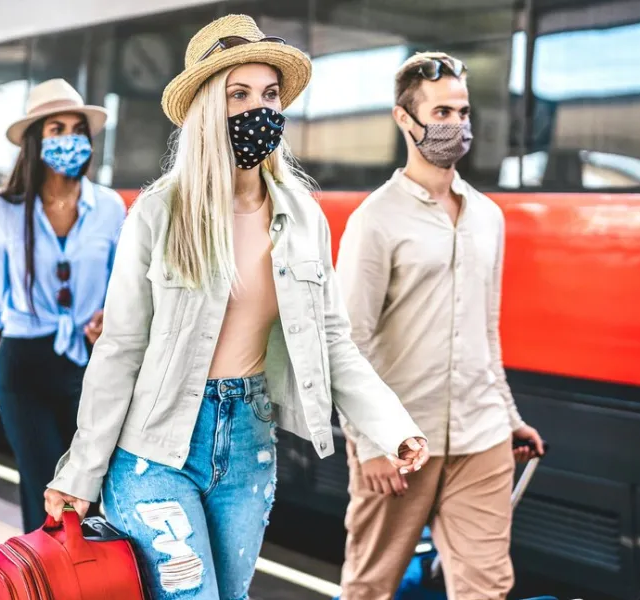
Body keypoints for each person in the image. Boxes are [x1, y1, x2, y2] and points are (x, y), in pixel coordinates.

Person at [42, 15, 430, 600]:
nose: (260, 110)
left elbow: (332, 341)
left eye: (270, 95)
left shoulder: (302, 218)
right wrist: (80, 472)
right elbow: (121, 349)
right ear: (205, 110)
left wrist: (392, 428)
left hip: (248, 442)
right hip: (154, 449)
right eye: (238, 94)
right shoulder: (158, 213)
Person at [335, 51, 544, 600]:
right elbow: (344, 341)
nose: (457, 125)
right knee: (370, 587)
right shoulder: (375, 220)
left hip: (483, 436)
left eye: (464, 112)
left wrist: (509, 415)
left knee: (488, 587)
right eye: (443, 112)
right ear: (406, 119)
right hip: (401, 441)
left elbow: (485, 332)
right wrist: (369, 442)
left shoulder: (487, 216)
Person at [0, 78, 125, 533]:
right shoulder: (4, 212)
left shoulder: (110, 207)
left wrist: (110, 318)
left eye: (76, 129)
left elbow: (122, 292)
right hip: (23, 368)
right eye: (56, 129)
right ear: (36, 140)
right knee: (46, 492)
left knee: (90, 494)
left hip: (89, 367)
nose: (68, 138)